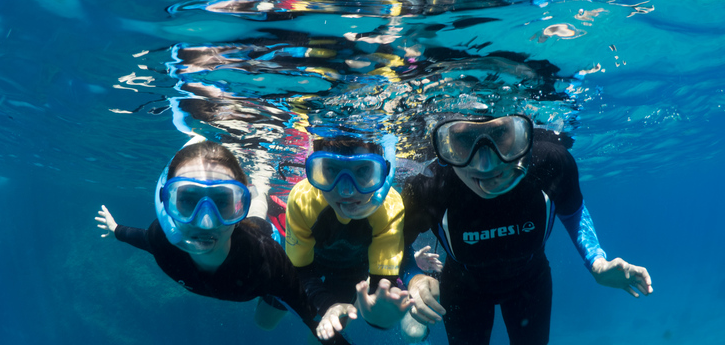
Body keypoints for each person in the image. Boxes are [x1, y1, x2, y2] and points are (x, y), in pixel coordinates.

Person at [401, 113, 652, 345]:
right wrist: (414, 279)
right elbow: (394, 244)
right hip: (462, 290)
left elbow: (573, 210)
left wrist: (596, 261)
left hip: (530, 283)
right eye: (465, 139)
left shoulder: (550, 163)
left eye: (500, 135)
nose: (486, 165)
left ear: (524, 134)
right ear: (445, 144)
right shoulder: (428, 185)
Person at [95, 139, 349, 344]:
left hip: (260, 235)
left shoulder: (266, 263)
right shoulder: (160, 239)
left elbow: (310, 314)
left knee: (258, 219)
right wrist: (116, 229)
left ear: (239, 205)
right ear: (166, 204)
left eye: (223, 201)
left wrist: (328, 319)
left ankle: (259, 191)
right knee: (264, 323)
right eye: (187, 199)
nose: (205, 223)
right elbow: (138, 237)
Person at [284, 133, 413, 340]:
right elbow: (299, 270)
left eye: (362, 170)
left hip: (351, 272)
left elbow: (382, 284)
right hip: (311, 267)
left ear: (382, 173)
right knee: (265, 321)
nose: (346, 191)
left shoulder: (390, 206)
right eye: (331, 170)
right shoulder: (302, 200)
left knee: (332, 326)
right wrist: (327, 304)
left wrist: (379, 315)